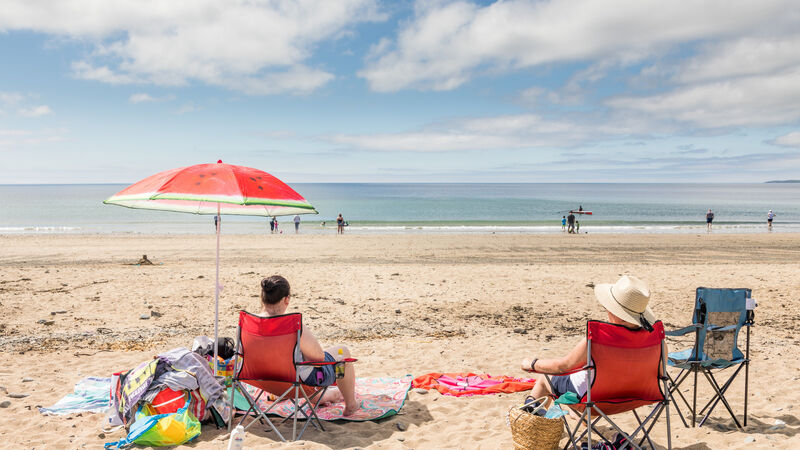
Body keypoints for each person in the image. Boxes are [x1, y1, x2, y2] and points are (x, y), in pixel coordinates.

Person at [520, 275, 661, 407]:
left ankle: (536, 425)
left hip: (594, 399)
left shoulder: (599, 339)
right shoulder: (656, 341)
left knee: (546, 379)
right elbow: (660, 373)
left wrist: (532, 364)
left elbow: (562, 366)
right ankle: (579, 417)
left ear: (619, 314)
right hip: (636, 397)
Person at [258, 275, 359, 415]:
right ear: (286, 299)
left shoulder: (248, 324)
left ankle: (326, 395)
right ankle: (351, 405)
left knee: (301, 367)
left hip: (265, 381)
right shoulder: (293, 326)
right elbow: (318, 358)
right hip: (299, 382)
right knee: (343, 353)